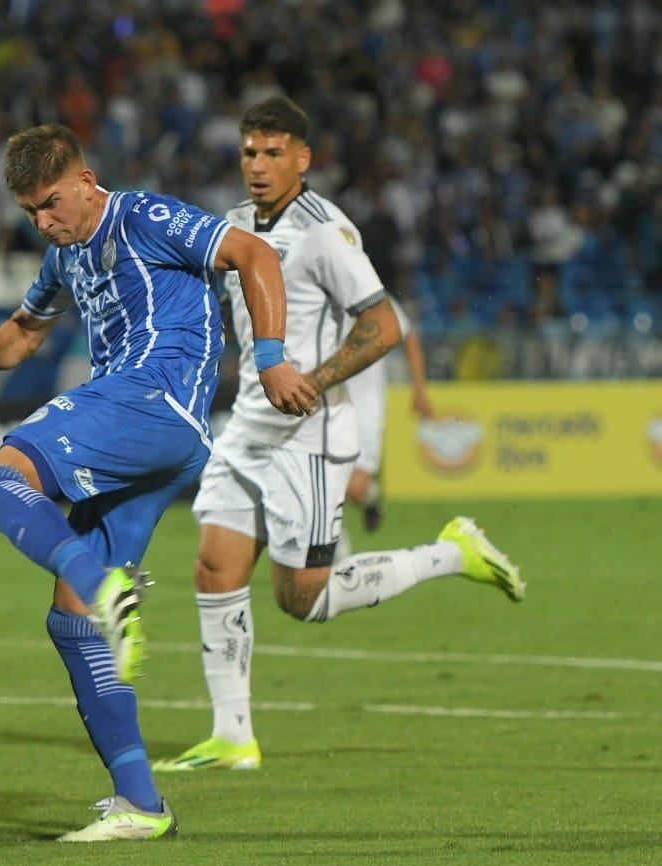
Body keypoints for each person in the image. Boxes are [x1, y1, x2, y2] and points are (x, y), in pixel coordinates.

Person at [0, 124, 317, 841]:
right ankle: (141, 804)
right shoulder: (65, 253)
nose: (43, 221)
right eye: (30, 212)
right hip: (160, 434)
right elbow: (25, 332)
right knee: (70, 617)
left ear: (86, 182)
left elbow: (253, 252)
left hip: (152, 399)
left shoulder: (142, 216)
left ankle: (104, 585)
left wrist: (271, 357)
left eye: (51, 203)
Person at [152, 98, 525, 774]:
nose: (258, 165)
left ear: (302, 158)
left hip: (311, 433)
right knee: (214, 566)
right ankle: (232, 736)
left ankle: (451, 553)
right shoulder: (232, 226)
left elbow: (384, 326)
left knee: (305, 599)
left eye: (273, 153)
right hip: (249, 424)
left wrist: (315, 380)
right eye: (249, 152)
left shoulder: (326, 231)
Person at [337, 310, 433, 556]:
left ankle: (370, 496)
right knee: (330, 481)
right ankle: (338, 556)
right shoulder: (322, 301)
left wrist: (420, 390)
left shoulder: (373, 298)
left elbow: (408, 335)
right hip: (331, 401)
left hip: (368, 406)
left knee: (355, 489)